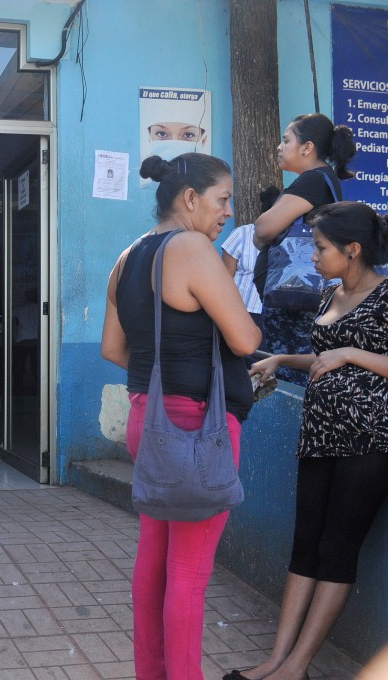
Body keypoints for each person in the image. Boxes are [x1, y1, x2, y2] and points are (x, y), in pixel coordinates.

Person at [101, 153, 262, 680]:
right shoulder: (193, 248)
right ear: (190, 198)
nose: (228, 213)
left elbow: (113, 348)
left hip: (147, 417)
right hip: (196, 427)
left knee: (154, 558)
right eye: (222, 200)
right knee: (189, 573)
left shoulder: (126, 257)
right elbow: (245, 338)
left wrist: (161, 374)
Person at [228, 202, 388, 680]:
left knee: (337, 548)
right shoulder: (329, 294)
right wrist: (280, 359)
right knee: (306, 545)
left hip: (369, 441)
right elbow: (322, 357)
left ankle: (297, 665)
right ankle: (276, 659)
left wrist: (350, 352)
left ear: (352, 249)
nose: (312, 256)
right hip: (320, 435)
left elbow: (344, 355)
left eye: (320, 247)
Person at [253, 113, 356, 383]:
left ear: (307, 147)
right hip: (298, 299)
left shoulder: (313, 180)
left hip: (296, 303)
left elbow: (264, 229)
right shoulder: (324, 180)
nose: (280, 146)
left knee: (289, 380)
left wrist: (261, 232)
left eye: (286, 140)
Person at [222, 186, 281, 330]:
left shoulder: (289, 240)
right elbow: (225, 279)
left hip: (275, 315)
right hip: (242, 312)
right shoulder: (241, 234)